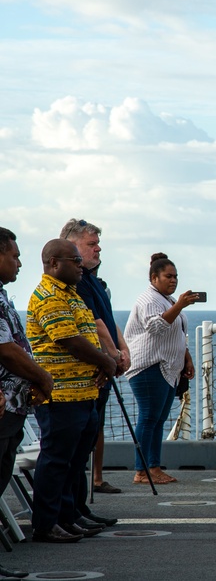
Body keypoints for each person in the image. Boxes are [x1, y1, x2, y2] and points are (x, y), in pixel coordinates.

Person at [26, 239, 122, 543]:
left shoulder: (72, 296)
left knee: (73, 460)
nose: (81, 266)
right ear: (54, 263)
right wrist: (106, 361)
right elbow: (70, 340)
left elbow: (88, 335)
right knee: (56, 460)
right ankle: (46, 523)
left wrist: (101, 367)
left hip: (83, 394)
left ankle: (68, 515)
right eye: (75, 261)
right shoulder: (50, 296)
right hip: (61, 396)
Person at [59, 218, 130, 495]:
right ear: (72, 246)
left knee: (90, 432)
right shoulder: (77, 286)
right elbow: (94, 324)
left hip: (102, 368)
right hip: (85, 373)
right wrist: (113, 357)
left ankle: (78, 507)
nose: (98, 249)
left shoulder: (92, 282)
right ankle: (66, 512)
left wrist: (121, 353)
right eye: (92, 244)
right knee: (73, 447)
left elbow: (108, 320)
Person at [0, 228, 55, 572]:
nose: (20, 263)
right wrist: (42, 376)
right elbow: (5, 351)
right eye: (15, 255)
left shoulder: (3, 295)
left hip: (14, 403)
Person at [122, 253, 197, 485]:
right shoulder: (149, 300)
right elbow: (156, 327)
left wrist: (187, 358)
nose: (173, 280)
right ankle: (143, 470)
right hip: (149, 366)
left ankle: (152, 467)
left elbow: (176, 333)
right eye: (168, 276)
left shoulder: (167, 299)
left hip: (166, 367)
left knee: (157, 419)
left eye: (175, 276)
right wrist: (181, 305)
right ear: (154, 277)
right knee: (149, 418)